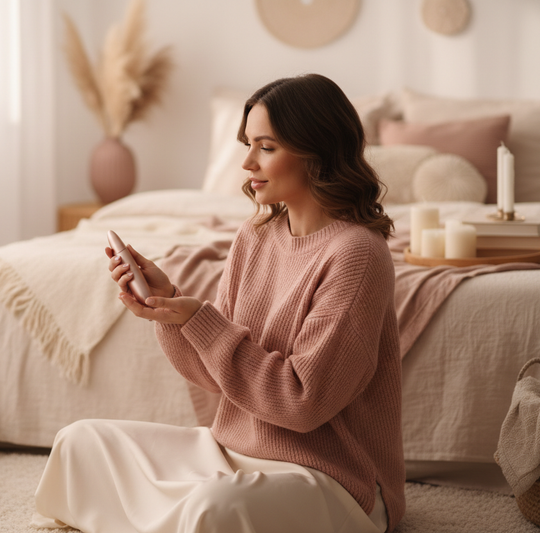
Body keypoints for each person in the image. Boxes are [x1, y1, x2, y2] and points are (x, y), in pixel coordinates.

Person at [31, 73, 405, 533]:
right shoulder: (255, 235)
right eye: (247, 144)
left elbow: (303, 402)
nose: (246, 162)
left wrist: (202, 320)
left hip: (329, 476)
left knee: (218, 508)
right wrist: (171, 310)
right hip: (230, 452)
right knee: (79, 443)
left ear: (318, 152)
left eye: (266, 147)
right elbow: (218, 377)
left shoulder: (357, 255)